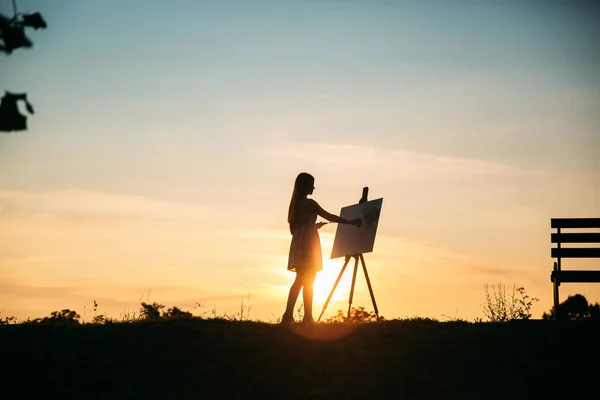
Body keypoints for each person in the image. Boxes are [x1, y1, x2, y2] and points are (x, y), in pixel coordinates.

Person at [282, 172, 362, 324]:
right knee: (309, 279)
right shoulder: (310, 203)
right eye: (311, 184)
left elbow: (294, 230)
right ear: (305, 186)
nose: (313, 187)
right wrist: (351, 222)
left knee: (300, 279)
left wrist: (312, 226)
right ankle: (306, 317)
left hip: (298, 242)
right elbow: (330, 216)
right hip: (308, 243)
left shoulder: (294, 205)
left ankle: (289, 315)